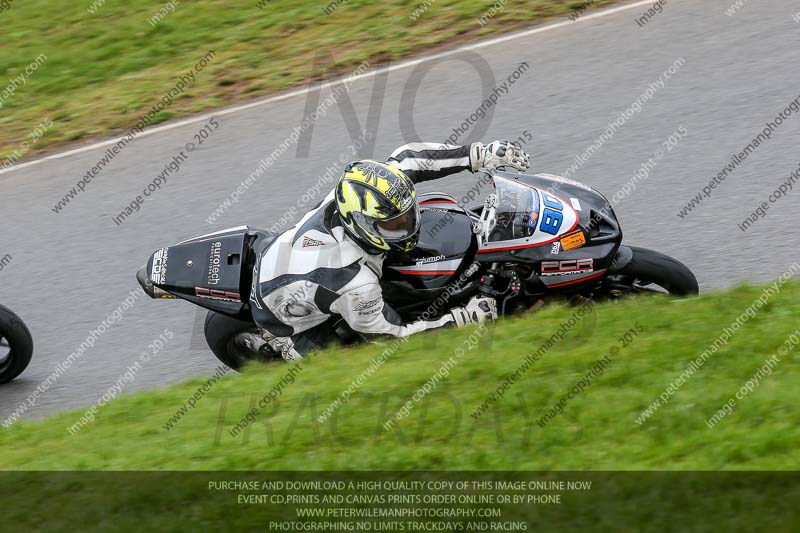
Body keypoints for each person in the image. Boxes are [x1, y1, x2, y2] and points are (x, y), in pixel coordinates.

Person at [250, 140, 530, 360]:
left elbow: (409, 159)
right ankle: (284, 346)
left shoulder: (362, 197)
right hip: (281, 313)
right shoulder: (354, 282)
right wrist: (459, 321)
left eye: (407, 217)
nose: (407, 226)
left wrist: (479, 154)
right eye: (394, 224)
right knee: (349, 368)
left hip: (290, 256)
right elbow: (394, 338)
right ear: (360, 224)